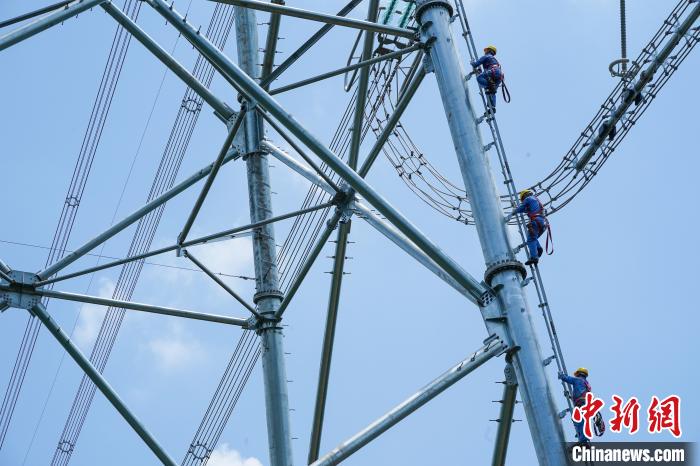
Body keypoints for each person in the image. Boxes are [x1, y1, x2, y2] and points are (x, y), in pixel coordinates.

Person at [506, 189, 549, 266]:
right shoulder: (535, 200)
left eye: (522, 199)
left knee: (531, 239)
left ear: (525, 196)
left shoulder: (528, 199)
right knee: (533, 237)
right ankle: (538, 248)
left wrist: (512, 213)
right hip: (543, 223)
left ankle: (534, 257)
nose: (523, 201)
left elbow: (522, 207)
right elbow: (525, 209)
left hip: (536, 221)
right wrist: (517, 210)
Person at [559, 368, 592, 444]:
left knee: (580, 421)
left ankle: (583, 439)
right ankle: (580, 435)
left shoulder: (578, 380)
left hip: (581, 403)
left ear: (579, 374)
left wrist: (562, 375)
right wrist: (570, 397)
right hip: (584, 403)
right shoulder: (586, 384)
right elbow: (579, 394)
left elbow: (568, 379)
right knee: (577, 420)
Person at [470, 45, 503, 110]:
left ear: (489, 51)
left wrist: (472, 62)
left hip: (493, 71)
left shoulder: (487, 56)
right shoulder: (493, 60)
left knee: (479, 78)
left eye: (486, 50)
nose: (485, 52)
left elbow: (475, 65)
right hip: (499, 76)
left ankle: (489, 86)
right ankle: (492, 107)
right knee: (492, 91)